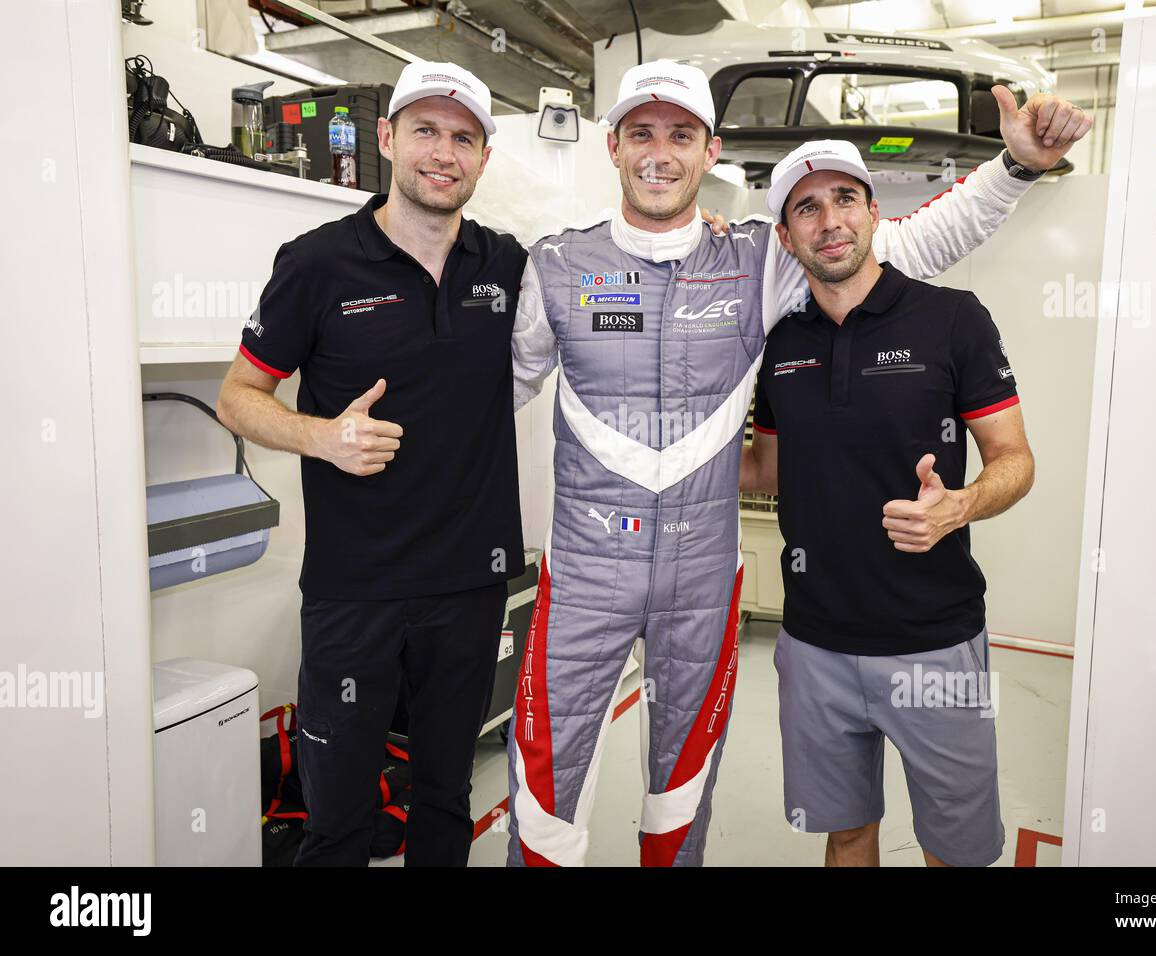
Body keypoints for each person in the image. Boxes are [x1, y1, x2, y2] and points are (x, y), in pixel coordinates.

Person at [507, 59, 1090, 866]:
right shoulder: (556, 264)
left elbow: (909, 241)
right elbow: (491, 392)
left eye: (681, 134)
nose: (660, 153)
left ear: (709, 151)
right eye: (641, 133)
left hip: (701, 577)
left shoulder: (759, 261)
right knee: (544, 795)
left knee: (681, 787)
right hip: (587, 569)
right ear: (613, 146)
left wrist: (1016, 164)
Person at [216, 61, 526, 866]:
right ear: (387, 139)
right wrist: (322, 437)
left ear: (484, 158)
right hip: (356, 591)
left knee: (445, 803)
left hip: (469, 584)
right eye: (425, 130)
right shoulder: (318, 263)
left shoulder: (507, 267)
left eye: (464, 137)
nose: (443, 153)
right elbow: (237, 396)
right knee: (341, 817)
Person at [741, 139, 1036, 867]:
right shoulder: (780, 344)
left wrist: (957, 507)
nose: (829, 220)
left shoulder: (953, 319)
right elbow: (765, 469)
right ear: (786, 236)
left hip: (933, 641)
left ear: (875, 212)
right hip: (813, 645)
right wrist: (652, 457)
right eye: (806, 208)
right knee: (845, 833)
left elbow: (1016, 462)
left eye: (845, 198)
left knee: (956, 850)